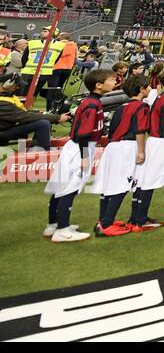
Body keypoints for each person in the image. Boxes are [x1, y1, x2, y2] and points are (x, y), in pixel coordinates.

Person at [41, 69, 113, 243]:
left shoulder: (91, 101)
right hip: (80, 148)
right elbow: (84, 133)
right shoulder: (92, 104)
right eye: (111, 80)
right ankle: (63, 230)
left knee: (61, 185)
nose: (114, 82)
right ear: (99, 85)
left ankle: (53, 224)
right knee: (70, 187)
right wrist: (84, 156)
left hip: (75, 147)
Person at [92, 73, 150, 236]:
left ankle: (101, 220)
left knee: (109, 184)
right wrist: (141, 150)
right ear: (141, 89)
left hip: (112, 147)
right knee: (122, 185)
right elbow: (140, 130)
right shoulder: (142, 106)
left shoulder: (120, 107)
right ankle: (107, 224)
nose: (150, 89)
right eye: (148, 87)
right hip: (128, 146)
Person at [128, 68, 164, 231]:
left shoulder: (160, 98)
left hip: (153, 141)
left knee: (144, 180)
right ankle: (140, 220)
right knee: (149, 181)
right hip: (161, 143)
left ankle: (136, 217)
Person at [0, 72, 67, 150]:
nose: (18, 88)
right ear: (7, 85)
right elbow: (25, 116)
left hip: (5, 128)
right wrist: (57, 118)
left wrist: (38, 113)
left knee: (39, 122)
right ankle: (43, 154)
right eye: (17, 85)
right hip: (2, 132)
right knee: (43, 124)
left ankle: (35, 150)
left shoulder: (7, 98)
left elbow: (21, 112)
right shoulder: (3, 102)